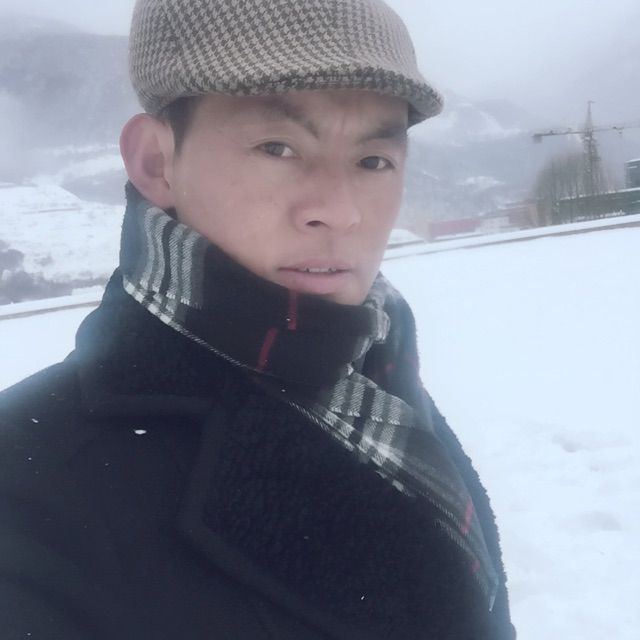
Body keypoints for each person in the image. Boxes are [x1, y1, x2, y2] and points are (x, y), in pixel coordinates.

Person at [0, 1, 516, 638]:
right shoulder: (26, 489)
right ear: (156, 161)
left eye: (372, 161)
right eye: (278, 147)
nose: (340, 211)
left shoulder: (373, 371)